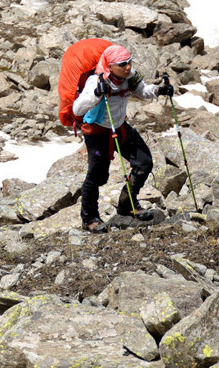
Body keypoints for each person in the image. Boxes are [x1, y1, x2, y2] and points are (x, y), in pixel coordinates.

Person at [72, 44, 173, 233]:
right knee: (97, 175)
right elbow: (77, 109)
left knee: (144, 162)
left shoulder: (129, 76)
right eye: (122, 64)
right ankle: (89, 218)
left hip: (119, 126)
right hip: (97, 131)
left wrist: (160, 91)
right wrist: (96, 94)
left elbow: (142, 90)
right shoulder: (96, 81)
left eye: (129, 62)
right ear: (110, 66)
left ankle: (127, 204)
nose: (128, 67)